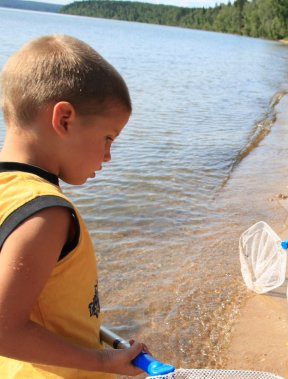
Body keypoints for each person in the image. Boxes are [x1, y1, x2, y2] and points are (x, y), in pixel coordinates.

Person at [0, 35, 146, 378]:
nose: (108, 156)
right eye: (108, 138)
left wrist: (105, 348)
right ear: (64, 119)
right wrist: (102, 363)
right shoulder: (45, 213)